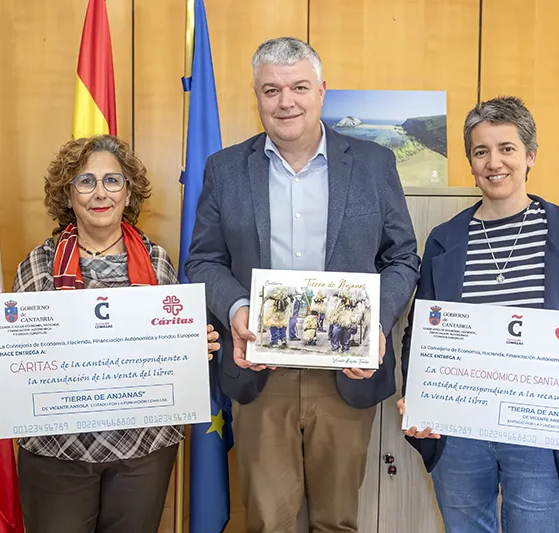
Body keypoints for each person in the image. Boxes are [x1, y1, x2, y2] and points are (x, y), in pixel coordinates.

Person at [185, 36, 419, 532]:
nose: (285, 101)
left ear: (321, 92)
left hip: (346, 377)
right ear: (257, 96)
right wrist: (236, 310)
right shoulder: (225, 170)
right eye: (271, 90)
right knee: (270, 522)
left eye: (298, 87)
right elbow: (203, 261)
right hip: (260, 372)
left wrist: (375, 322)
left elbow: (402, 258)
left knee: (337, 521)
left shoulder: (374, 164)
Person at [0, 135, 220, 533]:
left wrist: (193, 348)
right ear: (68, 195)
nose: (99, 193)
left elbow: (173, 355)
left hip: (143, 450)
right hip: (56, 453)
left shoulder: (157, 262)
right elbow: (18, 372)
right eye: (85, 181)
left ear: (128, 193)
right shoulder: (38, 265)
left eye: (112, 181)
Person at [398, 96, 559, 533]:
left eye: (507, 148)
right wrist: (419, 401)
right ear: (470, 162)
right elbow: (421, 334)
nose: (494, 162)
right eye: (481, 151)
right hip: (459, 428)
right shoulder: (445, 239)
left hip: (544, 435)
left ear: (530, 156)